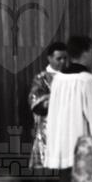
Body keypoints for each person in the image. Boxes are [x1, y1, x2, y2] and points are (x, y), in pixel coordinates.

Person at [45, 36, 92, 182]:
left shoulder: (58, 80)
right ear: (85, 52)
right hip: (83, 151)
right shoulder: (89, 81)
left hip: (61, 148)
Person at [28, 42, 68, 170]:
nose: (62, 62)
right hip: (48, 129)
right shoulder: (41, 78)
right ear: (49, 58)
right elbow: (35, 102)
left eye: (65, 58)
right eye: (58, 58)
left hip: (67, 127)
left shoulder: (70, 77)